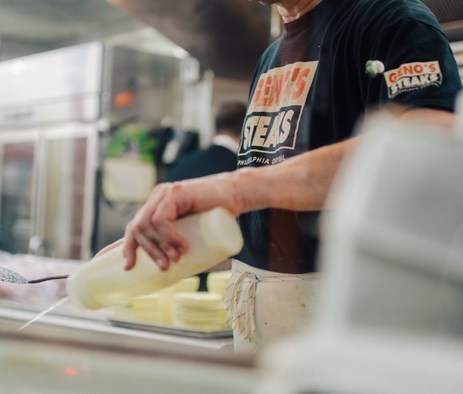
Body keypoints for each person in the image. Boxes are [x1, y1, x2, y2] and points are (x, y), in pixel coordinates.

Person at [112, 0, 463, 352]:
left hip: (345, 321)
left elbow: (427, 145)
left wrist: (235, 187)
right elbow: (270, 201)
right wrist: (184, 240)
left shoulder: (392, 20)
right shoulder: (271, 56)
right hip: (259, 315)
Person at [166, 101, 247, 290]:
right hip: (223, 281)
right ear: (246, 131)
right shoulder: (243, 171)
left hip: (177, 277)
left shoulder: (182, 164)